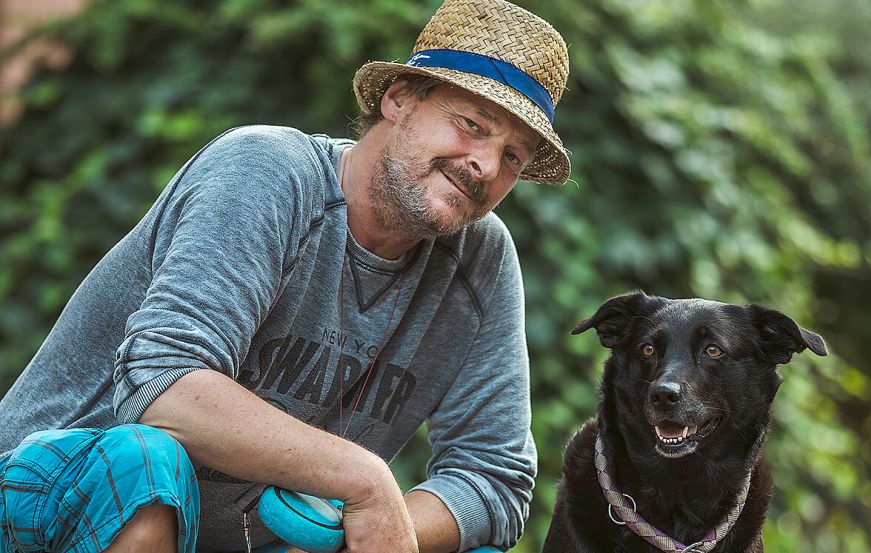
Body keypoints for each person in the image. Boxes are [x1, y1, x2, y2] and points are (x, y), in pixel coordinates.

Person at [0, 0, 571, 551]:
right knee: (145, 461)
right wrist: (364, 481)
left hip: (237, 540)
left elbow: (495, 475)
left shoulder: (482, 259)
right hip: (41, 499)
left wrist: (377, 531)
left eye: (514, 157)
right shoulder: (268, 171)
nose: (487, 166)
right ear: (399, 100)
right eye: (472, 124)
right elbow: (164, 388)